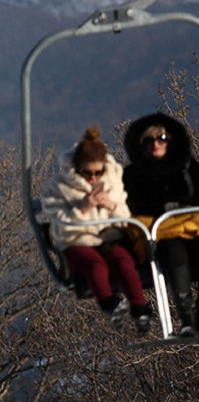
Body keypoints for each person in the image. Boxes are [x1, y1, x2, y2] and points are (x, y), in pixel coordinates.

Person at [42, 127, 151, 333]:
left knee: (123, 260)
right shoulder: (58, 187)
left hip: (107, 236)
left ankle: (140, 309)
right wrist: (84, 207)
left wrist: (110, 205)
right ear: (77, 168)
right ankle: (110, 305)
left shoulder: (112, 180)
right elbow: (57, 217)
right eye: (87, 173)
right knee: (95, 265)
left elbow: (124, 215)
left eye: (98, 172)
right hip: (76, 239)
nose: (93, 177)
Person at [123, 113, 199, 337]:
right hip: (160, 234)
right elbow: (133, 208)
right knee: (173, 251)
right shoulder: (134, 175)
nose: (156, 145)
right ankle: (187, 319)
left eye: (161, 139)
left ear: (170, 140)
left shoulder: (186, 168)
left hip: (192, 227)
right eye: (149, 141)